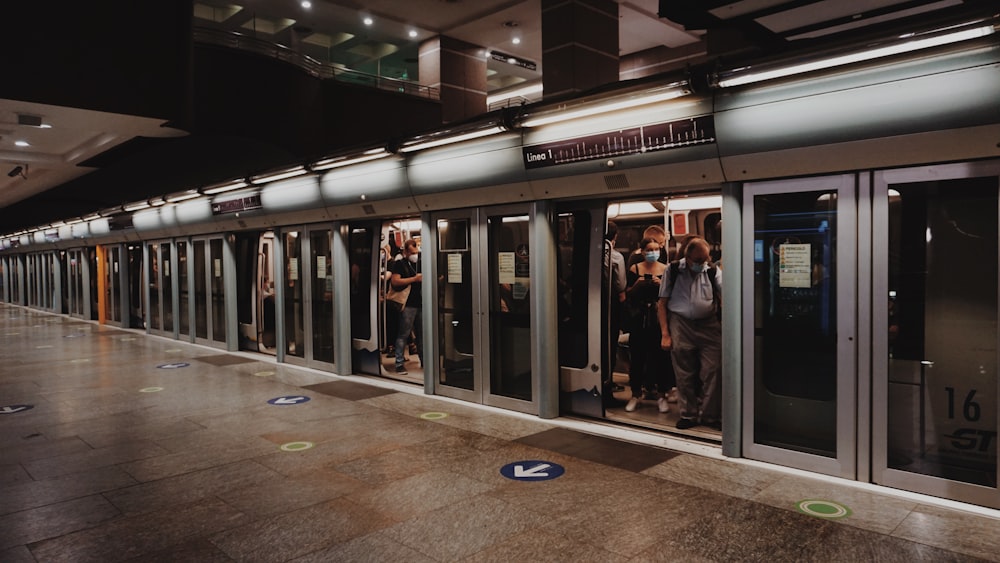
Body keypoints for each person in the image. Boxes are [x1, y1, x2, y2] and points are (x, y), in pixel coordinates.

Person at [657, 236, 722, 429]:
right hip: (681, 323)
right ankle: (688, 415)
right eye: (698, 261)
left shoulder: (712, 271)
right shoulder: (674, 270)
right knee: (684, 372)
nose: (702, 264)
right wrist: (665, 333)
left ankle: (711, 415)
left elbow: (726, 295)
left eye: (705, 260)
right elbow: (662, 304)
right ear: (688, 257)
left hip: (709, 324)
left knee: (714, 370)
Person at [624, 237, 673, 413]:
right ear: (642, 252)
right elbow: (627, 294)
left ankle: (661, 395)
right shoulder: (634, 269)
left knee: (660, 358)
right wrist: (637, 285)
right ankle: (635, 394)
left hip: (658, 318)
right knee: (637, 357)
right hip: (639, 317)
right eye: (649, 250)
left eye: (655, 249)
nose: (653, 252)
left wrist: (662, 285)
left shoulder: (666, 270)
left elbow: (671, 296)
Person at [603, 221, 627, 405]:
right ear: (615, 237)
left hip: (591, 305)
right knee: (609, 345)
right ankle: (606, 389)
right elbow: (620, 286)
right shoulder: (615, 256)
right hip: (609, 304)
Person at [391, 239, 422, 374]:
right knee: (403, 334)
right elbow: (395, 281)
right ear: (405, 252)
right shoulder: (400, 264)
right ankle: (399, 363)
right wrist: (414, 279)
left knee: (422, 335)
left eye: (416, 252)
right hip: (407, 304)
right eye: (411, 253)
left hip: (421, 303)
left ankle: (424, 361)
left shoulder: (421, 263)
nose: (415, 255)